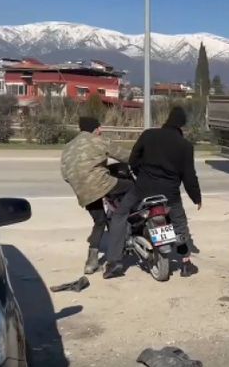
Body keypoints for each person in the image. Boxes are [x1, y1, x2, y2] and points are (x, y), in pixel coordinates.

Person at [103, 106, 202, 279]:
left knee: (120, 215)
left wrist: (140, 172)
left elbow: (133, 159)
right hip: (169, 194)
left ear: (167, 121)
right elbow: (189, 176)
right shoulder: (185, 146)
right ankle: (186, 264)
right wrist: (196, 197)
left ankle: (114, 263)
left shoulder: (149, 135)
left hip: (143, 189)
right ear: (182, 126)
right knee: (180, 224)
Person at [60, 116, 131, 274]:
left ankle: (91, 263)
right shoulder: (98, 140)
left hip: (83, 191)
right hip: (102, 183)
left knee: (99, 222)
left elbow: (65, 174)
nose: (101, 130)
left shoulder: (68, 146)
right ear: (94, 129)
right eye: (99, 127)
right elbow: (125, 156)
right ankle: (125, 223)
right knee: (133, 187)